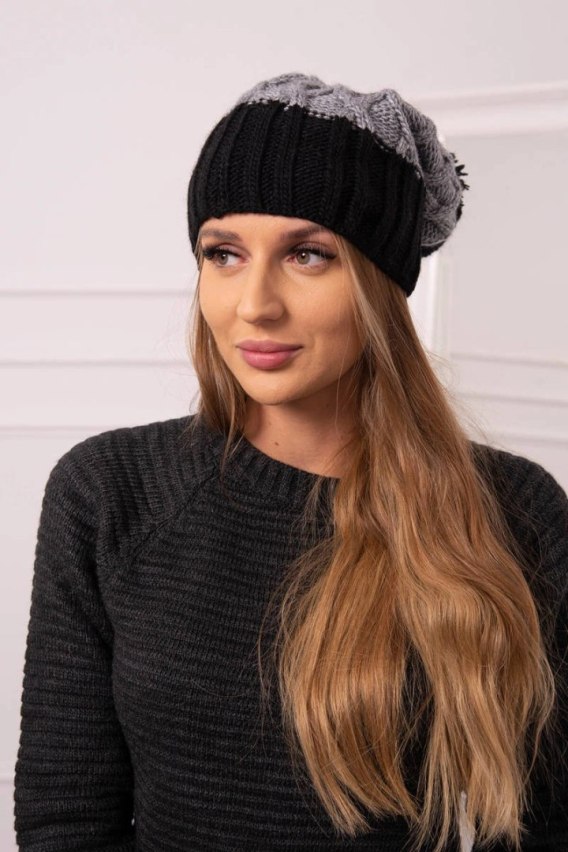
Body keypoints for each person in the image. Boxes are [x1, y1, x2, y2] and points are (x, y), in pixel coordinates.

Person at [13, 72, 567, 852]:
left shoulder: (513, 511)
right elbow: (66, 821)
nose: (254, 304)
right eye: (224, 253)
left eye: (308, 255)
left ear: (380, 286)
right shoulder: (109, 491)